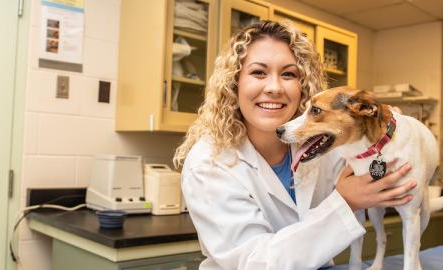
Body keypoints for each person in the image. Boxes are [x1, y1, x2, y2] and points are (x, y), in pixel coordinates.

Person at [172, 21, 417, 270]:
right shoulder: (208, 163)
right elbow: (255, 263)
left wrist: (383, 135)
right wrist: (346, 202)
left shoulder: (324, 147)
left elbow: (369, 167)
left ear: (303, 87)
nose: (275, 88)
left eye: (288, 74)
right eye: (259, 72)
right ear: (234, 84)